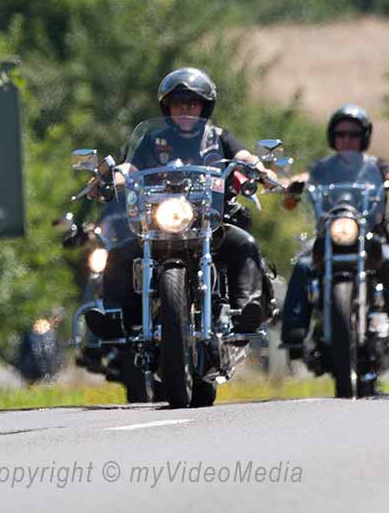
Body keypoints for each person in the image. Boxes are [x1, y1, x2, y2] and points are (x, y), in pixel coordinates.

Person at [85, 68, 273, 339]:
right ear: (167, 107)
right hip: (160, 221)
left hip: (208, 222)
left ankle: (247, 310)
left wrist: (260, 169)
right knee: (118, 254)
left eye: (192, 103)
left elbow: (243, 156)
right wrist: (113, 176)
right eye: (178, 103)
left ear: (203, 107)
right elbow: (130, 166)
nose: (185, 109)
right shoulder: (153, 140)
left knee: (244, 243)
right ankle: (116, 317)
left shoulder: (217, 137)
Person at [279, 104, 389, 356]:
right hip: (331, 235)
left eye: (353, 134)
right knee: (304, 264)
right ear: (332, 137)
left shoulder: (375, 166)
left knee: (388, 259)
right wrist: (291, 185)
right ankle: (294, 332)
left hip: (369, 235)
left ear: (364, 137)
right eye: (341, 134)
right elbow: (305, 177)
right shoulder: (323, 168)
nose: (347, 139)